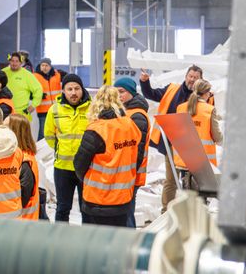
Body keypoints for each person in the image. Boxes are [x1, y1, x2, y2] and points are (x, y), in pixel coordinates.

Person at [139, 65, 210, 212]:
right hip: (171, 145)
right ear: (186, 76)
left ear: (200, 80)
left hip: (193, 147)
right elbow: (151, 94)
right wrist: (145, 82)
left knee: (192, 181)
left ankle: (191, 213)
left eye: (196, 78)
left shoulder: (205, 97)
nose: (192, 80)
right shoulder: (172, 90)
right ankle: (166, 212)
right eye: (190, 76)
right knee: (171, 180)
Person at [73, 85, 141, 227]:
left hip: (98, 200)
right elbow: (138, 156)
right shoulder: (130, 125)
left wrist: (88, 180)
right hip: (123, 198)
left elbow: (79, 164)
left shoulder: (97, 130)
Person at [44, 73, 92, 223]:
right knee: (63, 208)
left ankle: (88, 236)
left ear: (82, 90)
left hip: (87, 168)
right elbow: (49, 135)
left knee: (87, 209)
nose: (73, 92)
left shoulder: (92, 109)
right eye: (69, 89)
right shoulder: (55, 110)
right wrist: (61, 149)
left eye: (77, 88)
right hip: (63, 168)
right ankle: (60, 237)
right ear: (63, 91)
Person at [114, 77, 151, 228]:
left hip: (130, 174)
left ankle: (129, 240)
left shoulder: (137, 115)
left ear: (131, 92)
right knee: (124, 213)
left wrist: (128, 173)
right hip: (124, 173)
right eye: (116, 92)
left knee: (127, 214)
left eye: (121, 92)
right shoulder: (125, 112)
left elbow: (137, 150)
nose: (118, 96)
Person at [174, 79, 223, 190]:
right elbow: (217, 137)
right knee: (200, 197)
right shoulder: (209, 110)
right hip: (202, 163)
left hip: (184, 160)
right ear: (206, 93)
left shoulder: (181, 108)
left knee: (187, 194)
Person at [5, 113, 40, 220]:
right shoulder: (21, 156)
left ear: (15, 132)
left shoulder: (25, 162)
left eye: (4, 127)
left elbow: (22, 199)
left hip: (23, 223)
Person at [2, 52, 43, 123]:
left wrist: (34, 105)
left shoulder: (27, 75)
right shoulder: (3, 72)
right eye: (12, 61)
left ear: (21, 62)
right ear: (9, 61)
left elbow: (38, 89)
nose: (14, 63)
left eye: (17, 61)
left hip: (22, 113)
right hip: (5, 112)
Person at [33, 58, 65, 141]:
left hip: (56, 108)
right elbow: (30, 91)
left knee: (56, 131)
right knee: (43, 132)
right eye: (42, 65)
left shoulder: (57, 75)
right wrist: (38, 95)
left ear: (50, 66)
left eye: (46, 65)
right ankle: (39, 148)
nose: (44, 67)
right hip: (42, 110)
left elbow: (69, 79)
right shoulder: (35, 76)